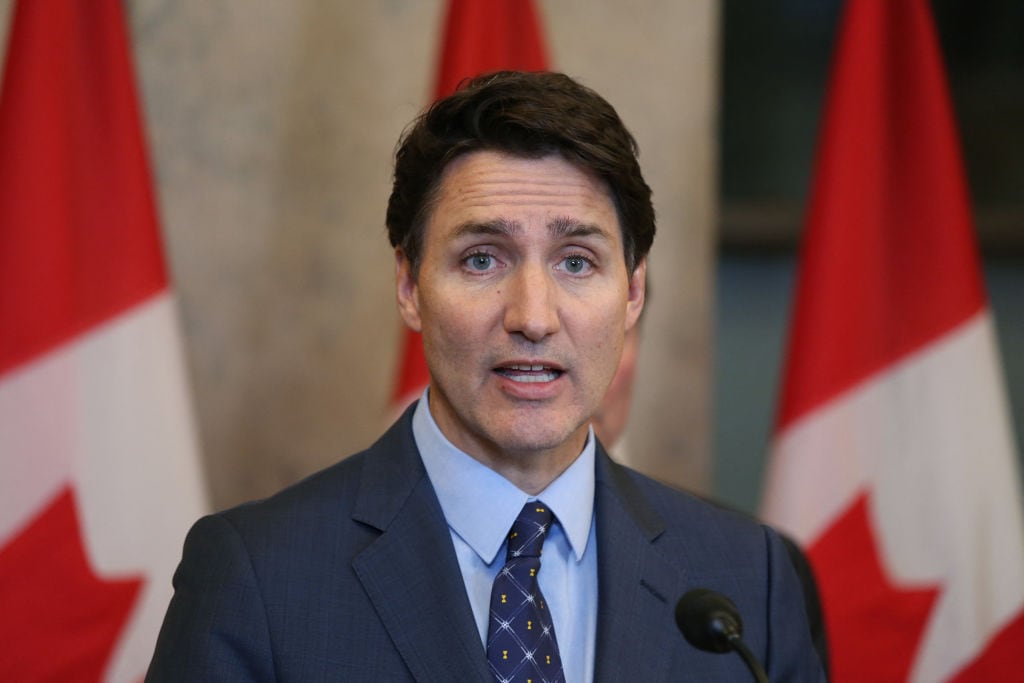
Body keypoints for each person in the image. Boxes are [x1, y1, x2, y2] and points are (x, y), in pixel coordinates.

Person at [148, 71, 825, 682]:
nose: (533, 317)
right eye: (481, 260)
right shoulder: (258, 577)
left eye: (576, 261)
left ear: (633, 292)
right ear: (409, 285)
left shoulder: (748, 579)